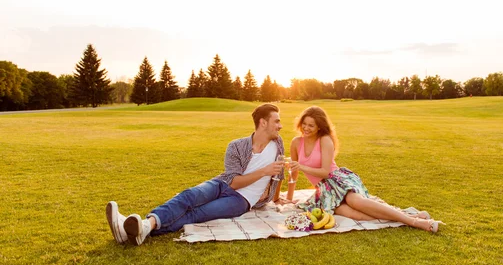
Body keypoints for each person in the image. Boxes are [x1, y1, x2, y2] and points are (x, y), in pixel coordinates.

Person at [106, 103, 292, 246]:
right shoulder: (236, 146)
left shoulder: (278, 144)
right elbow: (233, 182)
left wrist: (275, 198)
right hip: (222, 184)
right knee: (187, 196)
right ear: (263, 122)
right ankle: (142, 227)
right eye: (277, 121)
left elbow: (278, 176)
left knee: (197, 213)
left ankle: (140, 227)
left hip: (240, 201)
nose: (280, 126)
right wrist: (264, 171)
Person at [285, 106, 444, 233]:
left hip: (338, 180)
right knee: (352, 214)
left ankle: (417, 222)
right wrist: (290, 196)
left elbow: (325, 172)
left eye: (311, 125)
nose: (306, 128)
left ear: (319, 127)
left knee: (356, 202)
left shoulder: (325, 140)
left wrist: (302, 165)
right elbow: (294, 171)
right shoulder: (296, 142)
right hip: (324, 190)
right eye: (304, 124)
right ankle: (410, 215)